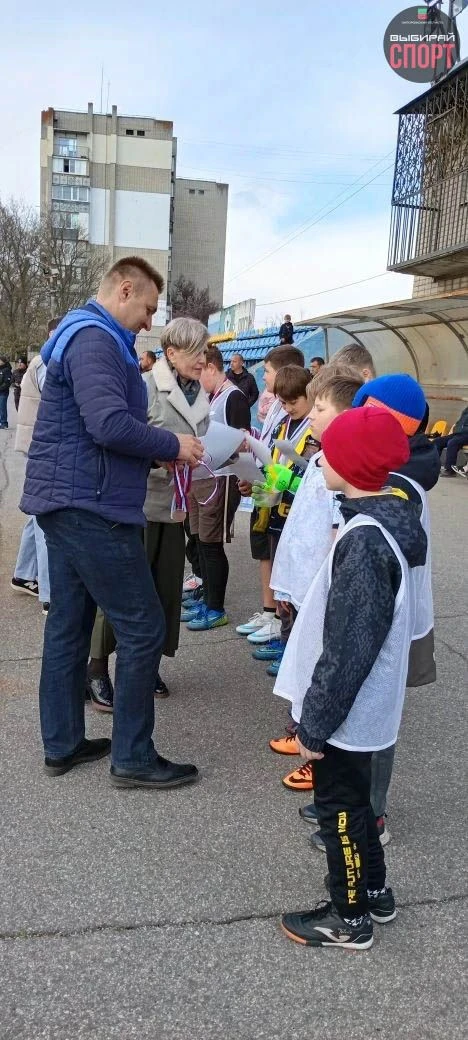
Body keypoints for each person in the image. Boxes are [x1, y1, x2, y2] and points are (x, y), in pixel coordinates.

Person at [20, 256, 204, 789]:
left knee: (70, 624)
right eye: (148, 308)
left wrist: (154, 449)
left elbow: (97, 427)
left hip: (72, 501)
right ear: (125, 290)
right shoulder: (96, 339)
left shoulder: (86, 335)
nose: (150, 322)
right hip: (92, 507)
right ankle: (133, 757)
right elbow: (108, 424)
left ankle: (63, 743)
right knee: (143, 627)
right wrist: (173, 444)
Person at [280, 406, 426, 950]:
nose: (320, 462)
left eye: (329, 454)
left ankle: (349, 916)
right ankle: (376, 892)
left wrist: (314, 724)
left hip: (349, 709)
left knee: (338, 810)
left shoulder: (365, 541)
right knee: (358, 803)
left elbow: (348, 648)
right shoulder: (381, 522)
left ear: (351, 465)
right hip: (365, 706)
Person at [87, 317, 211, 706]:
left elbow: (201, 442)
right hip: (138, 506)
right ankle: (96, 668)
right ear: (171, 353)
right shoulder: (144, 387)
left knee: (164, 593)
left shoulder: (200, 394)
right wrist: (163, 454)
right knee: (120, 592)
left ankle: (145, 664)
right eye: (196, 352)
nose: (203, 359)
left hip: (175, 508)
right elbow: (123, 441)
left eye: (205, 351)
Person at [268, 371, 363, 730]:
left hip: (318, 585)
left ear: (346, 417)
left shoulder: (344, 468)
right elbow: (300, 523)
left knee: (316, 654)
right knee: (300, 651)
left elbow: (337, 532)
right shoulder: (322, 457)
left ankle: (310, 726)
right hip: (300, 579)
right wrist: (284, 584)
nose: (311, 415)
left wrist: (326, 585)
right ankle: (301, 717)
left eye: (320, 408)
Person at [236, 345, 305, 641]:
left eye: (266, 371)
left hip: (288, 502)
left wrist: (280, 479)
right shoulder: (279, 408)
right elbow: (271, 449)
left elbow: (300, 469)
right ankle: (271, 614)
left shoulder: (304, 419)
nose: (263, 377)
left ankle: (282, 625)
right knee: (267, 553)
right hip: (271, 496)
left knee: (284, 565)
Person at [183, 344, 252, 631]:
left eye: (199, 372)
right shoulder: (211, 397)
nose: (196, 380)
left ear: (211, 368)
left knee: (211, 545)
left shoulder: (233, 397)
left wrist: (245, 478)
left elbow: (243, 443)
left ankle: (216, 608)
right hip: (199, 479)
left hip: (220, 480)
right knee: (199, 540)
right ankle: (206, 597)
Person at [11, 318, 63, 613]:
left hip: (38, 445)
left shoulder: (43, 359)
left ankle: (23, 574)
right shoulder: (49, 360)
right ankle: (50, 594)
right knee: (47, 519)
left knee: (37, 514)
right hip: (45, 448)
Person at [433, 405, 468, 476]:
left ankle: (450, 470)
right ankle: (434, 467)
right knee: (437, 441)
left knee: (452, 443)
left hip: (466, 434)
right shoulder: (466, 410)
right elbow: (461, 422)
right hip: (458, 433)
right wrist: (455, 428)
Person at [0, 356, 12, 429]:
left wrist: (1, 388)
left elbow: (7, 382)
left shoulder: (7, 370)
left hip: (3, 392)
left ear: (3, 361)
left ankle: (4, 423)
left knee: (2, 408)